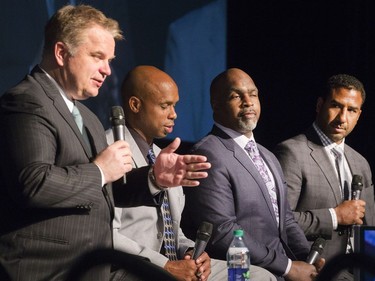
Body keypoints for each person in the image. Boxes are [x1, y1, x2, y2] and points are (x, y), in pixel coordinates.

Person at [0, 5, 210, 281]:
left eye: (110, 60)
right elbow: (33, 183)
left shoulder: (87, 116)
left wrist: (153, 178)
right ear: (61, 53)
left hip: (90, 268)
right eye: (97, 57)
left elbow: (103, 191)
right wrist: (99, 170)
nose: (107, 70)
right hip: (44, 269)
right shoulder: (27, 101)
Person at [106, 65, 277, 281]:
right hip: (133, 267)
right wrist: (165, 265)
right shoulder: (109, 150)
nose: (174, 114)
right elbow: (107, 235)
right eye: (165, 106)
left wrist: (191, 252)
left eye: (175, 105)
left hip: (173, 261)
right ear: (135, 105)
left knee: (258, 276)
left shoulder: (165, 157)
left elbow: (173, 231)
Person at [182, 68, 325, 281]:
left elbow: (285, 220)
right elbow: (221, 231)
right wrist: (288, 267)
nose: (248, 101)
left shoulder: (267, 155)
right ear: (216, 104)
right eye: (235, 96)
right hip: (243, 274)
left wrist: (306, 259)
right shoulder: (207, 153)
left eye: (253, 94)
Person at [274, 74, 375, 280]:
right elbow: (279, 221)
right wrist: (335, 216)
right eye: (336, 106)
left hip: (360, 271)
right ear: (320, 105)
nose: (342, 117)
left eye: (351, 110)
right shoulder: (292, 152)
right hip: (317, 270)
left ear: (359, 115)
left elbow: (370, 227)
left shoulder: (360, 163)